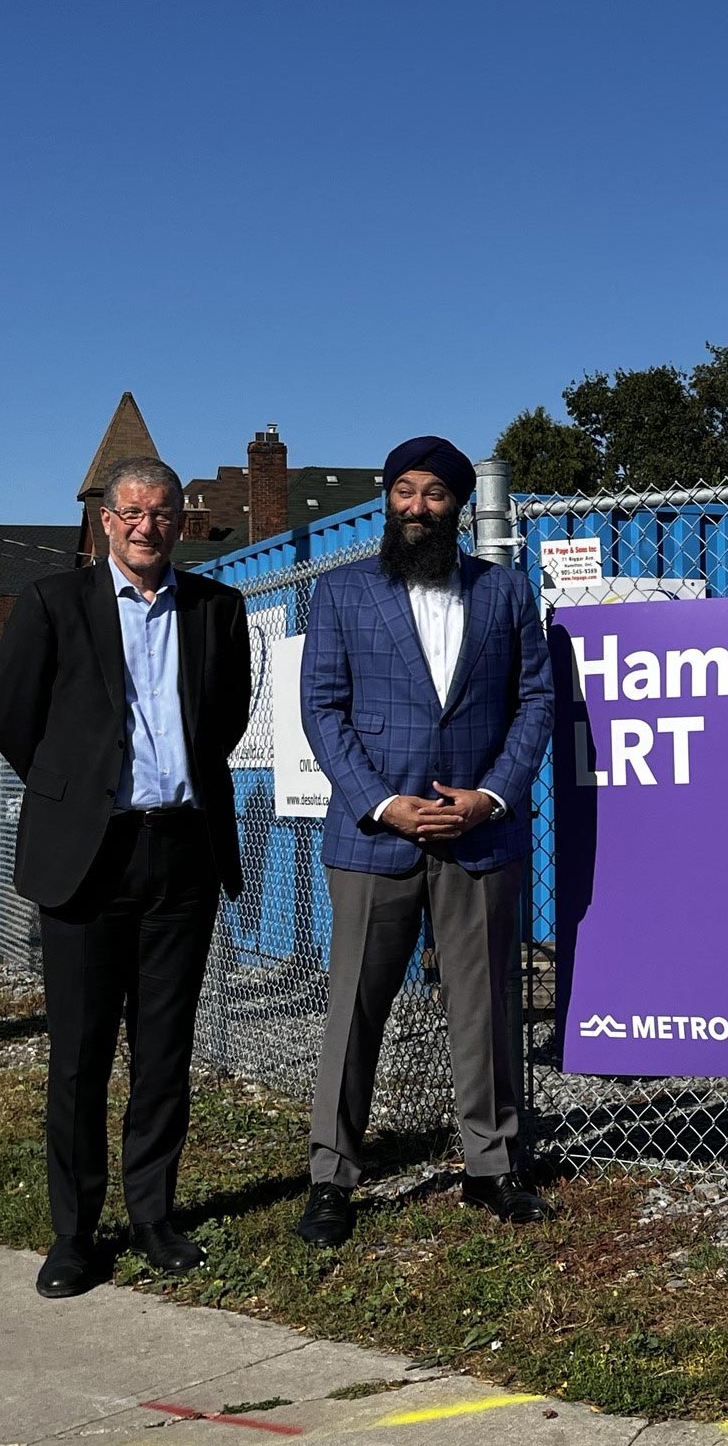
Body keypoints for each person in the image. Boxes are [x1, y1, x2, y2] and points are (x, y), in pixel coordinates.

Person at [0, 457, 251, 1298]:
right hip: (87, 861)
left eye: (163, 512)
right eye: (131, 511)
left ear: (183, 521)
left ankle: (154, 1216)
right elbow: (14, 724)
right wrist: (84, 800)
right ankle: (74, 1234)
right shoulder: (50, 605)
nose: (147, 525)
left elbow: (227, 718)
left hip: (183, 853)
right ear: (106, 520)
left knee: (164, 1051)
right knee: (79, 1057)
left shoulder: (219, 609)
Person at [295, 437, 557, 1247]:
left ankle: (492, 1165)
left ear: (459, 506)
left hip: (479, 835)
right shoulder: (341, 594)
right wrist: (382, 803)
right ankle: (333, 1177)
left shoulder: (505, 592)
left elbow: (537, 700)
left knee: (484, 1007)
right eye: (404, 491)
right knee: (355, 1013)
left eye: (435, 494)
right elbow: (324, 709)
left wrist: (490, 796)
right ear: (387, 499)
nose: (417, 506)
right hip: (375, 837)